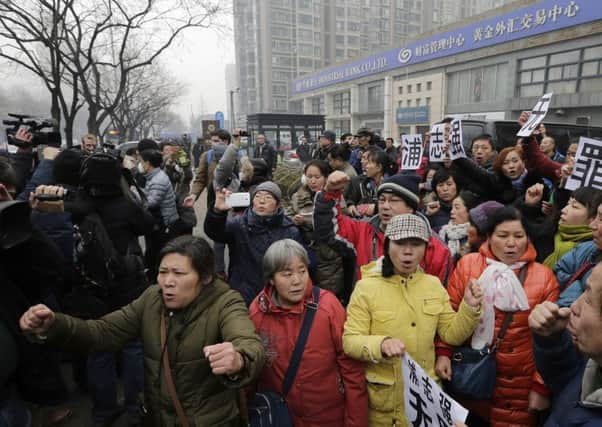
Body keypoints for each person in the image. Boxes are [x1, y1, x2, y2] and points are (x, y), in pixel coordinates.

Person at [19, 235, 265, 427]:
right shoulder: (151, 299)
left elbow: (248, 342)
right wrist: (55, 325)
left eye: (179, 273)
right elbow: (102, 332)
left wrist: (239, 359)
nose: (167, 282)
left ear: (205, 277)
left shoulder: (226, 302)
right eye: (162, 272)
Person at [342, 214, 483, 426]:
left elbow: (451, 334)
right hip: (384, 405)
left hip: (426, 399)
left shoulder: (433, 285)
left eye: (416, 244)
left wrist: (469, 307)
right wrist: (381, 344)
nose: (408, 251)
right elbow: (350, 341)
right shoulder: (366, 287)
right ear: (388, 245)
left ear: (426, 248)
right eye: (400, 243)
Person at [439, 206, 560, 426]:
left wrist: (540, 385)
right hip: (472, 377)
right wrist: (444, 353)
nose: (511, 243)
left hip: (518, 388)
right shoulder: (468, 265)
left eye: (518, 236)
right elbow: (449, 312)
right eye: (503, 236)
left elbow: (552, 340)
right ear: (489, 237)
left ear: (528, 238)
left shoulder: (544, 277)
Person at [249, 239, 368, 426]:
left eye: (302, 271)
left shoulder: (328, 307)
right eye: (287, 274)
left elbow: (352, 370)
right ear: (271, 278)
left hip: (327, 418)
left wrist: (356, 422)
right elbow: (253, 372)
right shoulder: (258, 312)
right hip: (283, 418)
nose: (297, 281)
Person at [315, 171, 454, 285]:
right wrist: (330, 193)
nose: (385, 206)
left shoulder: (436, 248)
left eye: (393, 200)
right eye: (382, 200)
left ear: (411, 207)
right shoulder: (363, 231)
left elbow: (441, 298)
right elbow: (328, 229)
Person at [528, 261, 602, 426]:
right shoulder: (594, 366)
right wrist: (552, 339)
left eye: (589, 300)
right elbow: (567, 381)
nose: (574, 306)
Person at [204, 181, 302, 305]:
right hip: (243, 295)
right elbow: (214, 233)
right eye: (258, 196)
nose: (262, 201)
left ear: (278, 205)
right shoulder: (239, 224)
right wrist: (217, 213)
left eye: (268, 197)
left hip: (278, 295)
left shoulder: (289, 230)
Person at [554, 201, 602, 307]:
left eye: (601, 219)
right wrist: (579, 283)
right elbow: (558, 270)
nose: (592, 225)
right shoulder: (588, 248)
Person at [438, 190, 480, 263]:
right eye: (452, 208)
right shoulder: (442, 231)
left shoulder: (475, 237)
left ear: (470, 211)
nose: (452, 211)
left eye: (457, 208)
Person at [424, 168, 461, 232]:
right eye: (440, 185)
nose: (445, 189)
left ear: (457, 186)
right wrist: (428, 215)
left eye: (449, 184)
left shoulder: (466, 208)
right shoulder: (428, 211)